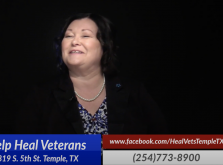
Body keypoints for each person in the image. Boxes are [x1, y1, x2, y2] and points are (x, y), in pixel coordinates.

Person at [16, 13, 168, 134]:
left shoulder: (135, 92)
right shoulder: (40, 96)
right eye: (68, 36)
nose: (74, 41)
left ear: (105, 45)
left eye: (85, 35)